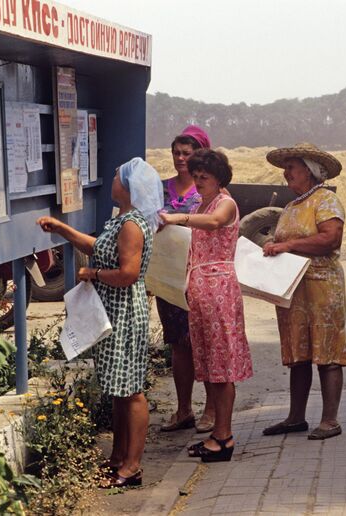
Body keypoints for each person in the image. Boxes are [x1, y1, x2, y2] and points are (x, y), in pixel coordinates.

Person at [36, 157, 163, 487]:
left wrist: (92, 273)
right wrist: (64, 230)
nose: (112, 180)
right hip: (113, 311)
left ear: (129, 187)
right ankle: (118, 458)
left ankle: (132, 466)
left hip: (124, 312)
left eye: (117, 176)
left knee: (131, 391)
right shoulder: (121, 220)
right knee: (119, 391)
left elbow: (128, 273)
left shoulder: (132, 224)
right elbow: (99, 247)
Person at [160, 149, 252, 462]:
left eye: (205, 177)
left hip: (218, 289)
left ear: (219, 178)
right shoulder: (204, 202)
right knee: (210, 365)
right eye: (196, 176)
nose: (199, 181)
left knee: (222, 366)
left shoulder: (224, 203)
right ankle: (218, 435)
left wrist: (178, 217)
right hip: (201, 290)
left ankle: (224, 435)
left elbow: (214, 223)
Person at [261, 142, 346, 440]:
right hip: (293, 290)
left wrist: (286, 245)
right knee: (298, 351)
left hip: (321, 286)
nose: (286, 173)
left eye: (291, 167)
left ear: (310, 171)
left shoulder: (325, 200)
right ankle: (295, 417)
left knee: (327, 350)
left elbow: (330, 239)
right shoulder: (291, 207)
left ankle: (330, 420)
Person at [158, 125, 216, 434]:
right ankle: (183, 409)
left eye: (187, 153)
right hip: (170, 279)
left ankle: (210, 409)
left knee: (203, 343)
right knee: (178, 345)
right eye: (177, 153)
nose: (181, 158)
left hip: (202, 278)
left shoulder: (209, 191)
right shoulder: (160, 188)